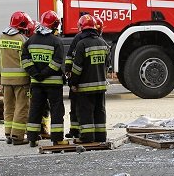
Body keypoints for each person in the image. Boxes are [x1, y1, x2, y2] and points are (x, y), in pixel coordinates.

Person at [21, 10, 65, 147]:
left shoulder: (30, 41)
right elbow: (57, 62)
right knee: (57, 110)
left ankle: (32, 138)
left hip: (36, 83)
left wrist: (36, 74)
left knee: (35, 109)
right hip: (53, 84)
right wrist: (45, 73)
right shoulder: (56, 41)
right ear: (55, 25)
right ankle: (57, 139)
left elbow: (25, 60)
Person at [0, 11, 34, 145]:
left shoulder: (0, 38)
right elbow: (28, 60)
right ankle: (18, 136)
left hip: (5, 81)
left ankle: (8, 134)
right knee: (21, 107)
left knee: (8, 107)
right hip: (22, 81)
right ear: (21, 25)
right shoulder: (22, 39)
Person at [68, 14, 110, 144]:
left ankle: (87, 138)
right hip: (101, 86)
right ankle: (101, 136)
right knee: (99, 111)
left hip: (85, 87)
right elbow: (107, 64)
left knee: (85, 112)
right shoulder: (103, 43)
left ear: (81, 27)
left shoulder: (82, 44)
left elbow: (77, 68)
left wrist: (72, 82)